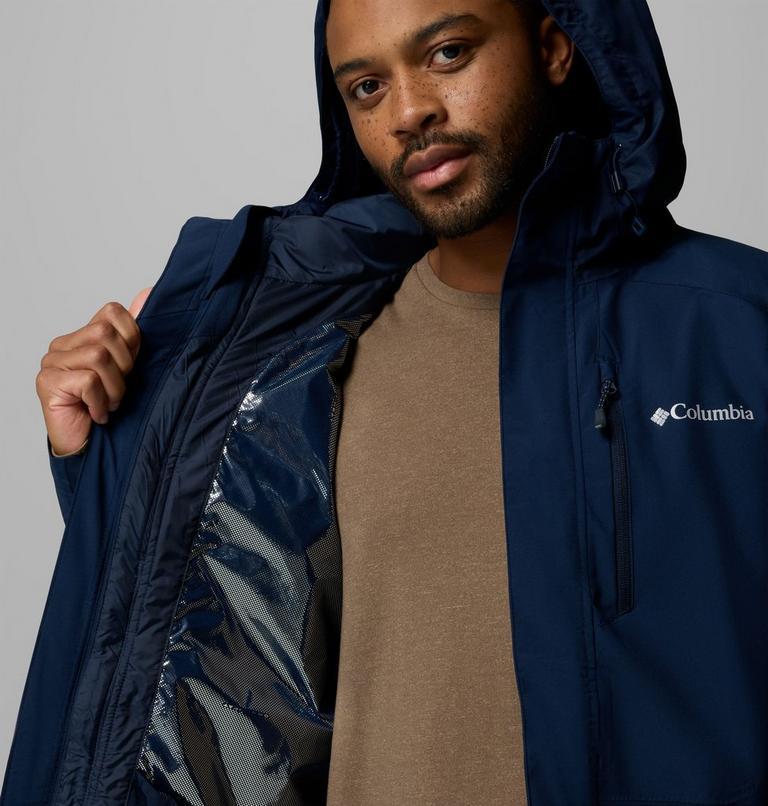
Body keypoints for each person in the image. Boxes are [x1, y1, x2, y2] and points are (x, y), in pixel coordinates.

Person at [5, 0, 767, 804]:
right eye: (367, 87)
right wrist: (107, 458)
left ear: (553, 47)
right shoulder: (300, 365)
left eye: (448, 53)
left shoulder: (738, 327)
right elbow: (213, 669)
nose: (410, 112)